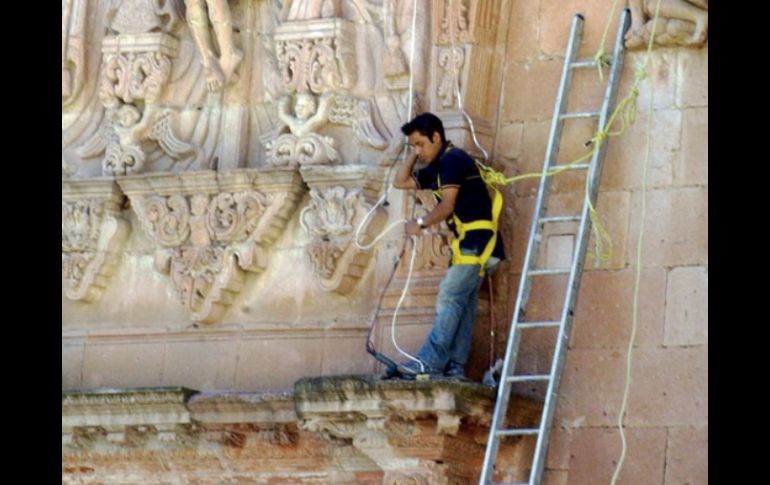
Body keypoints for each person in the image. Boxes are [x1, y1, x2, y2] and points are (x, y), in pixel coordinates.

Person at [392, 113, 505, 379]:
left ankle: (429, 362)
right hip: (476, 247)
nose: (419, 150)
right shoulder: (440, 164)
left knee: (450, 296)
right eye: (414, 145)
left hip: (475, 244)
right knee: (464, 305)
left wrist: (419, 223)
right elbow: (401, 182)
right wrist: (413, 153)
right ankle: (455, 366)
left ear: (436, 137)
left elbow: (447, 206)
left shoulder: (453, 161)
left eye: (421, 143)